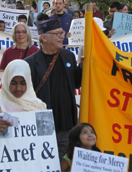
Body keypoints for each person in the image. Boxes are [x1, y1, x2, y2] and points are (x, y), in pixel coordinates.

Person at [0, 60, 47, 172]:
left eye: (23, 83)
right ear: (7, 81)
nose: (18, 88)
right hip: (4, 166)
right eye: (14, 83)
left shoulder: (38, 106)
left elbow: (45, 140)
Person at [25, 19, 82, 161]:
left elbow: (76, 84)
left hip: (66, 123)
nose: (62, 36)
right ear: (43, 37)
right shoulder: (30, 63)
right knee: (44, 164)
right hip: (42, 125)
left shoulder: (68, 56)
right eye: (57, 33)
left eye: (61, 33)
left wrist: (82, 67)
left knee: (64, 163)